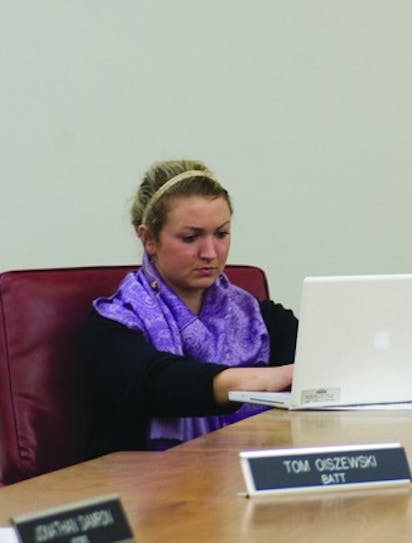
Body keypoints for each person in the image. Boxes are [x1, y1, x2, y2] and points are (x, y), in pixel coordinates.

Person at [82, 160, 298, 456]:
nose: (210, 253)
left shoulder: (259, 318)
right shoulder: (113, 323)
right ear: (148, 239)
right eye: (190, 238)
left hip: (246, 473)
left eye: (221, 234)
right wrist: (255, 380)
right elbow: (159, 383)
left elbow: (327, 363)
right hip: (146, 480)